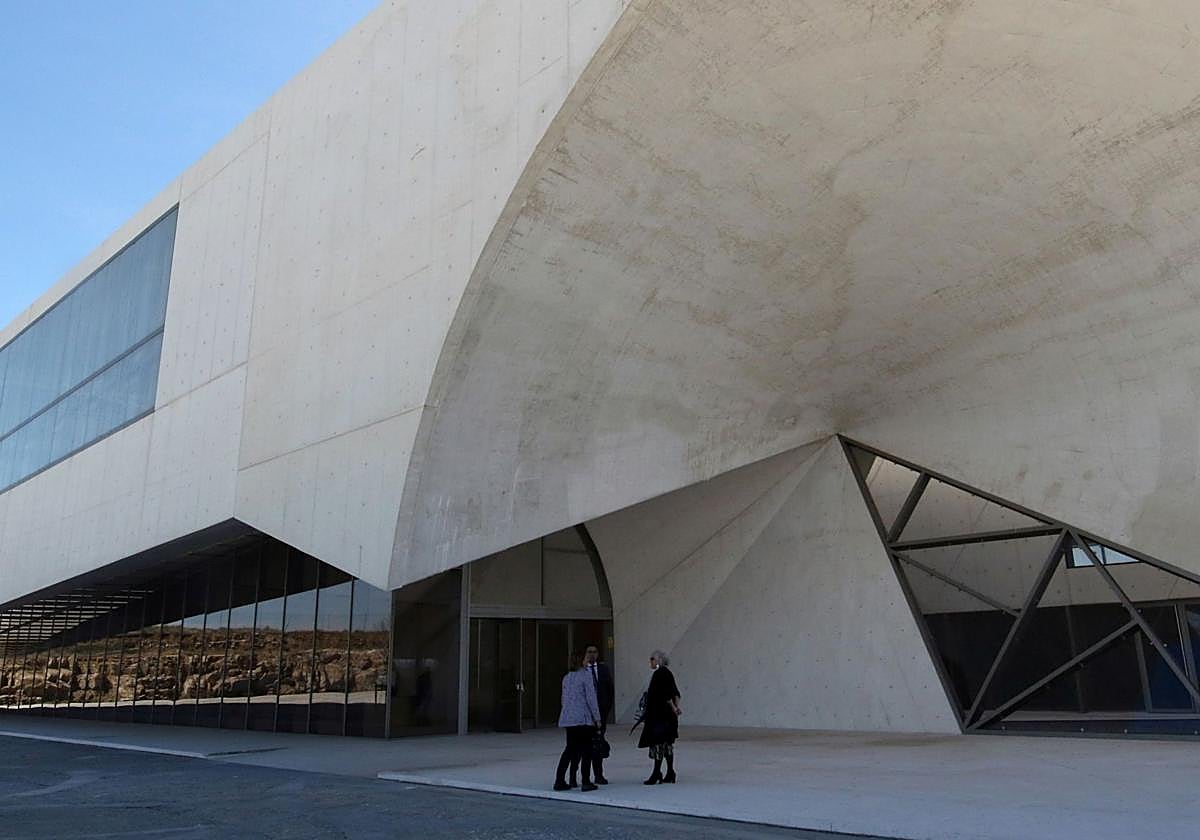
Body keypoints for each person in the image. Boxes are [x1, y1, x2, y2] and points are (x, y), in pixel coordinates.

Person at [553, 651, 601, 792]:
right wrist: (597, 718)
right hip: (583, 718)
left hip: (569, 718)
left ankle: (560, 779)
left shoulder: (567, 678)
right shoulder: (585, 676)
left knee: (569, 750)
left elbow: (564, 699)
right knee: (586, 750)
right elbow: (591, 699)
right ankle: (585, 781)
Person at [569, 643, 614, 786]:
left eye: (595, 651)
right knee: (579, 747)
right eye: (589, 652)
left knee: (597, 745)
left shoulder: (604, 670)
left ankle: (598, 775)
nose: (592, 654)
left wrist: (605, 710)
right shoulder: (579, 673)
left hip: (600, 714)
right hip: (583, 716)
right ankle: (573, 777)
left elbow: (609, 690)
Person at [637, 649, 681, 785]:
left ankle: (657, 773)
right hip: (668, 717)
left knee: (658, 744)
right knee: (667, 744)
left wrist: (673, 708)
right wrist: (675, 708)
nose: (650, 661)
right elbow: (676, 693)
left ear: (658, 660)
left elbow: (666, 695)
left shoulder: (659, 674)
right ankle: (670, 772)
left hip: (659, 716)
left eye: (652, 659)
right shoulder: (668, 673)